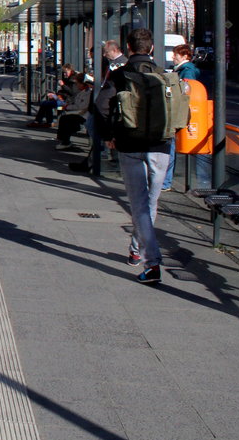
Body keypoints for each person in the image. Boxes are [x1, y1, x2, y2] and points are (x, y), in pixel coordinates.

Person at [96, 28, 171, 285]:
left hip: (130, 145)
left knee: (139, 205)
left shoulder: (120, 75)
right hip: (161, 147)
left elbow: (101, 106)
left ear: (129, 47)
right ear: (151, 48)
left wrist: (110, 134)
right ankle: (137, 250)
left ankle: (152, 263)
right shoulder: (165, 75)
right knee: (151, 203)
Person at [69, 40, 128, 173]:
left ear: (114, 50)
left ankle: (98, 158)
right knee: (95, 128)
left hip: (109, 104)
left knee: (98, 129)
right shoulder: (111, 63)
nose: (105, 55)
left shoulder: (121, 63)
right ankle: (97, 158)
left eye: (106, 52)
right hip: (104, 102)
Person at [162, 44, 209, 191]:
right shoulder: (184, 69)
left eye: (175, 54)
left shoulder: (187, 71)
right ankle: (168, 182)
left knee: (172, 146)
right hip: (185, 114)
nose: (173, 57)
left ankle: (167, 182)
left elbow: (187, 92)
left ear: (184, 56)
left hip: (182, 114)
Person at [54, 73, 93, 150]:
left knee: (65, 119)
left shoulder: (88, 93)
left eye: (77, 83)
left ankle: (65, 141)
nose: (76, 85)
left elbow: (81, 106)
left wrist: (67, 107)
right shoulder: (83, 91)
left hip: (83, 114)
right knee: (62, 115)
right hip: (77, 111)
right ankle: (63, 139)